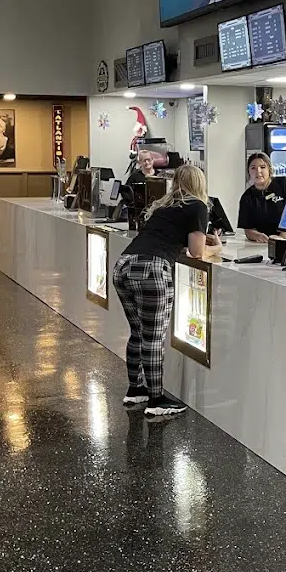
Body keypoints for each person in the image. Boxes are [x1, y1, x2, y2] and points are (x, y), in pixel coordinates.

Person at [113, 165, 219, 418]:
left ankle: (135, 389)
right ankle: (156, 399)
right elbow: (197, 252)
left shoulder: (163, 206)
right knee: (153, 337)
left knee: (138, 332)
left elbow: (169, 240)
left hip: (124, 265)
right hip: (152, 270)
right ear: (200, 183)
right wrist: (217, 248)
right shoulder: (197, 206)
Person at [238, 152, 286, 243]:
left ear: (269, 169)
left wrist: (281, 238)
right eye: (253, 168)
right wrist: (256, 235)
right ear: (248, 172)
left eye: (262, 167)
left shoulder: (284, 183)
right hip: (265, 244)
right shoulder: (247, 197)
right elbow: (248, 229)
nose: (258, 171)